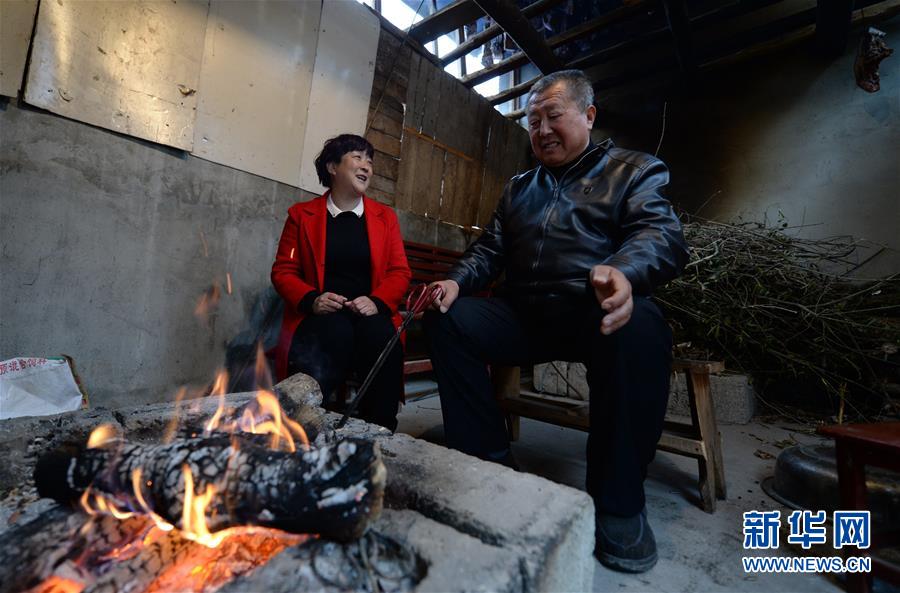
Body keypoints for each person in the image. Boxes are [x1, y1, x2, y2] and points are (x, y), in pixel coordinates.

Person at [424, 70, 688, 573]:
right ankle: (488, 462)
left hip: (590, 312)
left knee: (642, 325)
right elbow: (490, 250)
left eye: (553, 116)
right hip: (523, 315)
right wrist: (456, 281)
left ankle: (618, 501)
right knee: (447, 317)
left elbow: (660, 234)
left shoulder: (634, 170)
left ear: (588, 116)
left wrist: (624, 272)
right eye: (533, 121)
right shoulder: (519, 188)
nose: (542, 130)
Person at [271, 134, 411, 431]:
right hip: (322, 313)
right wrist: (312, 299)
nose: (367, 166)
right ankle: (306, 425)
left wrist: (376, 301)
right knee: (334, 333)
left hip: (369, 311)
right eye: (357, 158)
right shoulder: (301, 215)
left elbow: (399, 272)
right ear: (333, 167)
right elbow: (284, 270)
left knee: (381, 337)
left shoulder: (385, 218)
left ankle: (380, 428)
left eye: (369, 161)